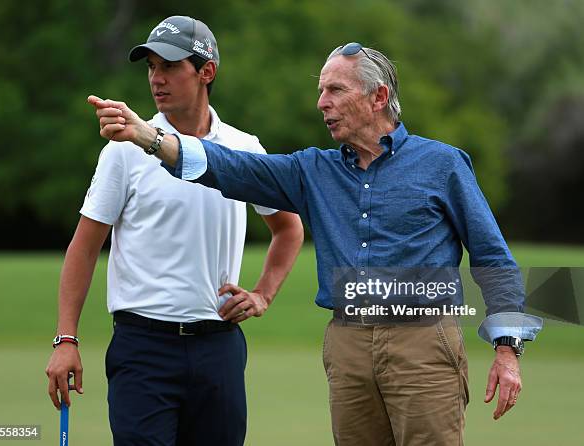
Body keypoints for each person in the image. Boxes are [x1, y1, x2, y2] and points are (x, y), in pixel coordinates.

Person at [88, 42, 543, 446]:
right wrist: (147, 136)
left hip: (423, 343)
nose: (321, 103)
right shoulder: (314, 170)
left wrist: (507, 351)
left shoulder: (442, 164)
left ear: (378, 97)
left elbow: (492, 258)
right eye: (321, 90)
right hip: (347, 345)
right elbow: (229, 168)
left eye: (335, 91)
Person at [46, 15, 303, 446]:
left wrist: (263, 294)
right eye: (150, 67)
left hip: (218, 347)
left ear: (206, 71)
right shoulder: (124, 150)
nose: (156, 79)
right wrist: (65, 338)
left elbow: (288, 229)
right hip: (142, 348)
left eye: (169, 66)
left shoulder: (243, 148)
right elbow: (85, 247)